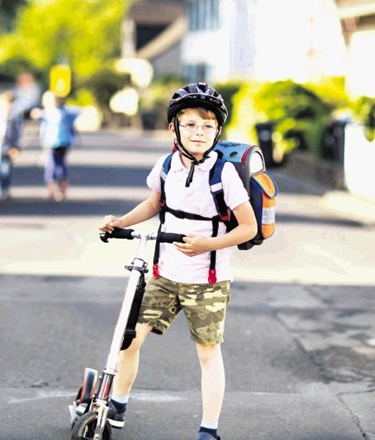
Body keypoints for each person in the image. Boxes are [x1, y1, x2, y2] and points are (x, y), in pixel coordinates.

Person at [98, 82, 257, 440]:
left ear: (217, 131)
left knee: (207, 354)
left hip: (208, 279)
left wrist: (208, 244)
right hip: (164, 273)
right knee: (129, 341)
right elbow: (155, 203)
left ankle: (209, 430)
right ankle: (118, 405)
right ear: (174, 128)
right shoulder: (167, 164)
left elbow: (248, 227)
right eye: (190, 124)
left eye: (207, 126)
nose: (199, 132)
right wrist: (120, 222)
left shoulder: (224, 174)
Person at [30, 91, 81, 201]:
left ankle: (62, 187)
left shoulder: (64, 112)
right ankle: (52, 187)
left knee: (61, 165)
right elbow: (36, 115)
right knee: (51, 165)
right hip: (50, 143)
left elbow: (78, 112)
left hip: (63, 142)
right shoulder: (46, 113)